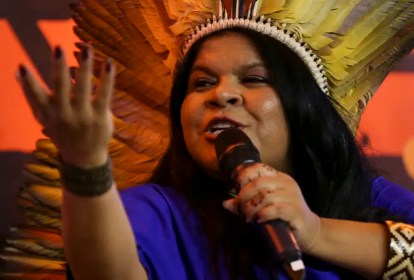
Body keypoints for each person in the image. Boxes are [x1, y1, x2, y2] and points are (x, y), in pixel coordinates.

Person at [15, 0, 414, 279]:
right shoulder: (155, 211)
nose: (221, 94)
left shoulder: (369, 199)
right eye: (202, 82)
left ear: (304, 109)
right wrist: (86, 165)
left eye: (254, 79)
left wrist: (315, 233)